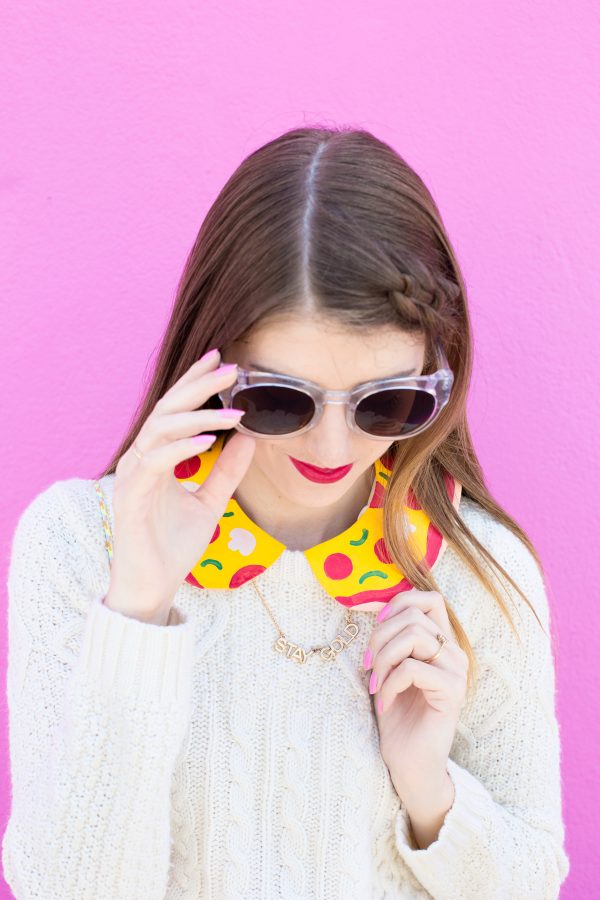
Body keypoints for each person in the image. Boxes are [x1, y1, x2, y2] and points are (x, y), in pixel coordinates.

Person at [2, 126, 570, 899]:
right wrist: (135, 613)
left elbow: (533, 881)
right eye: (282, 399)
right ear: (215, 360)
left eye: (386, 402)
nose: (334, 445)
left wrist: (428, 789)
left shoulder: (478, 570)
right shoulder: (75, 543)